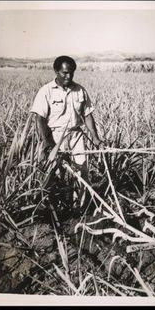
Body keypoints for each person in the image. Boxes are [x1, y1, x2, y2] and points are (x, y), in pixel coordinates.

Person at [31, 55, 103, 206]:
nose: (68, 76)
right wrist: (47, 144)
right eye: (64, 73)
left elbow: (88, 115)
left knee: (81, 170)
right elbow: (39, 119)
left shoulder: (80, 91)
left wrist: (96, 138)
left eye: (71, 72)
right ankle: (58, 206)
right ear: (56, 71)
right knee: (57, 172)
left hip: (76, 135)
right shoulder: (46, 91)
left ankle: (80, 205)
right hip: (55, 137)